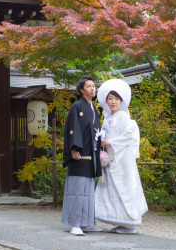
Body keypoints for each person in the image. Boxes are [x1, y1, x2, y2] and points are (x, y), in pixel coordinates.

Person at [94, 78, 148, 233]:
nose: (113, 102)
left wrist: (110, 141)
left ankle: (131, 223)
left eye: (116, 99)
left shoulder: (124, 117)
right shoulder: (107, 118)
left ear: (121, 101)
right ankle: (121, 221)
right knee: (113, 190)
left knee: (125, 188)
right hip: (110, 160)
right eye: (110, 98)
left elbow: (129, 136)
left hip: (122, 159)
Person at [61, 75, 102, 236]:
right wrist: (73, 148)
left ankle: (87, 222)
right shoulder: (76, 107)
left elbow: (96, 133)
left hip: (91, 156)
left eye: (94, 86)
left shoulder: (93, 109)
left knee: (89, 192)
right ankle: (75, 224)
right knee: (77, 191)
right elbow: (72, 129)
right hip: (79, 155)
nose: (93, 88)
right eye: (89, 86)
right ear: (81, 90)